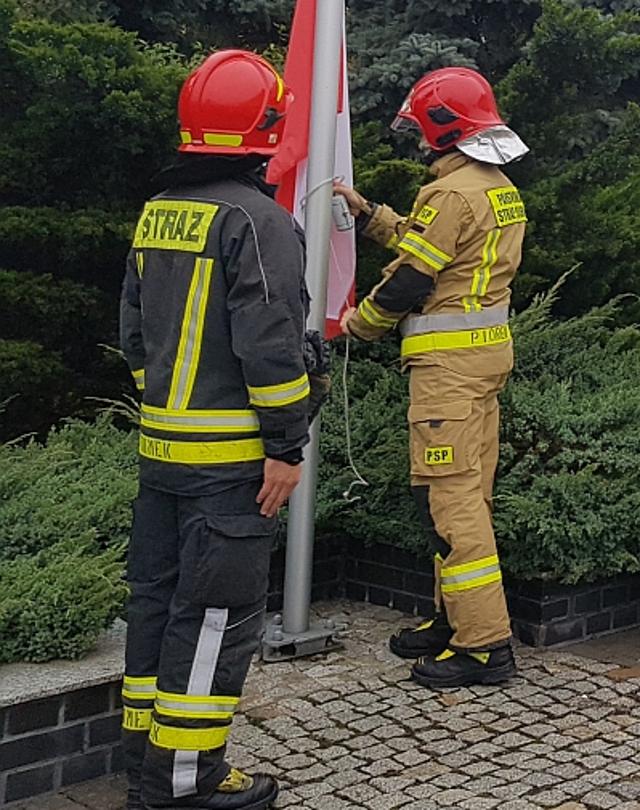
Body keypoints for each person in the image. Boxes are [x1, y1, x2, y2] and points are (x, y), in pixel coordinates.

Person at [120, 49, 312, 809]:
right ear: (265, 127)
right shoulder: (258, 220)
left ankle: (145, 756)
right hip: (232, 466)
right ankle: (183, 780)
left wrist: (164, 408)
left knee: (157, 603)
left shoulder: (159, 211)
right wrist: (286, 445)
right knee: (215, 618)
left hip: (161, 452)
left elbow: (134, 334)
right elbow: (272, 349)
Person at [335, 67, 528, 688]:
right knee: (470, 494)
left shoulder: (451, 193)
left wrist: (357, 326)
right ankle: (454, 621)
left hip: (447, 371)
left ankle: (482, 645)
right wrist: (371, 216)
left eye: (420, 127)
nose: (416, 139)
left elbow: (416, 278)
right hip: (484, 361)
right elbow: (441, 249)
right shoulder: (495, 187)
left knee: (450, 501)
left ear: (443, 128)